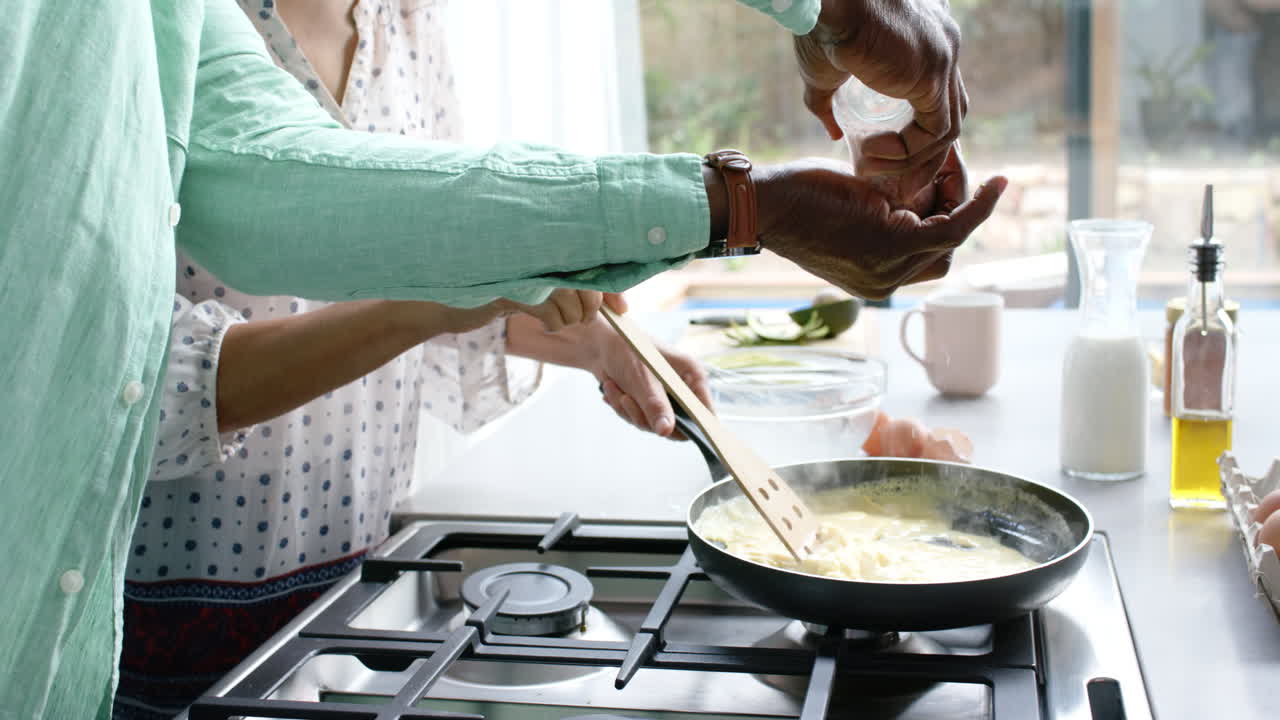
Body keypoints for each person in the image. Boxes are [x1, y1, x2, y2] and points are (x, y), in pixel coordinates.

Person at [0, 0, 1006, 717]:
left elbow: (396, 233)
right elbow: (156, 372)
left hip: (331, 581)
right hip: (146, 610)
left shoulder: (380, 26)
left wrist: (591, 328)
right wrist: (750, 205)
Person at [112, 3, 708, 715]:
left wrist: (586, 339)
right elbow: (152, 383)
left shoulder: (407, 23)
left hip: (356, 588)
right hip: (160, 617)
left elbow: (452, 283)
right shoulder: (154, 29)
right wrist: (451, 292)